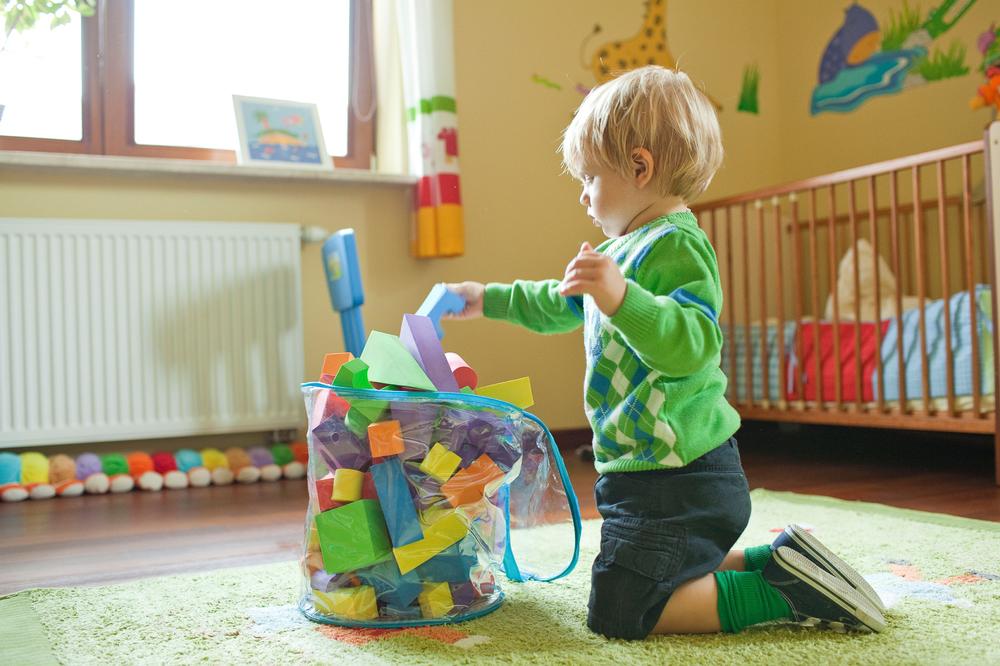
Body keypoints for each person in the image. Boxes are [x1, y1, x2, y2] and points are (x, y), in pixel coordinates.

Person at [444, 65, 885, 639]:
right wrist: (487, 298)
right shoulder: (618, 252)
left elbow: (693, 345)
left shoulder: (677, 244)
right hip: (643, 474)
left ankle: (782, 590)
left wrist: (621, 297)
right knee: (650, 576)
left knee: (624, 612)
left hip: (680, 477)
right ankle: (777, 561)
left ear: (639, 167)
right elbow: (555, 302)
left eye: (590, 177)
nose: (583, 195)